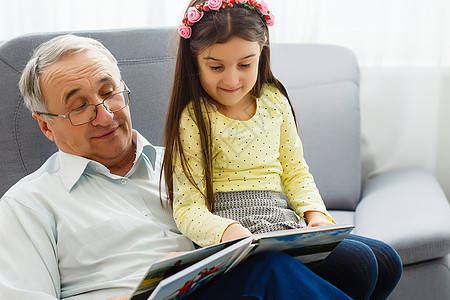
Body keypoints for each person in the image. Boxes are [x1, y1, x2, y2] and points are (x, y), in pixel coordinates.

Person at [0, 34, 354, 300]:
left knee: (365, 261)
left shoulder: (187, 160)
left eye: (110, 93)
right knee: (270, 273)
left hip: (227, 285)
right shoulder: (27, 206)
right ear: (46, 125)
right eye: (79, 107)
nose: (105, 115)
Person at [163, 0, 402, 299]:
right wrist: (228, 232)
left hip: (285, 225)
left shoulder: (274, 101)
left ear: (262, 53)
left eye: (245, 64)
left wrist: (315, 215)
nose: (232, 79)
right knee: (359, 264)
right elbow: (187, 207)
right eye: (216, 67)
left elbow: (296, 172)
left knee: (387, 260)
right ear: (194, 61)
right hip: (238, 235)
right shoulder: (193, 118)